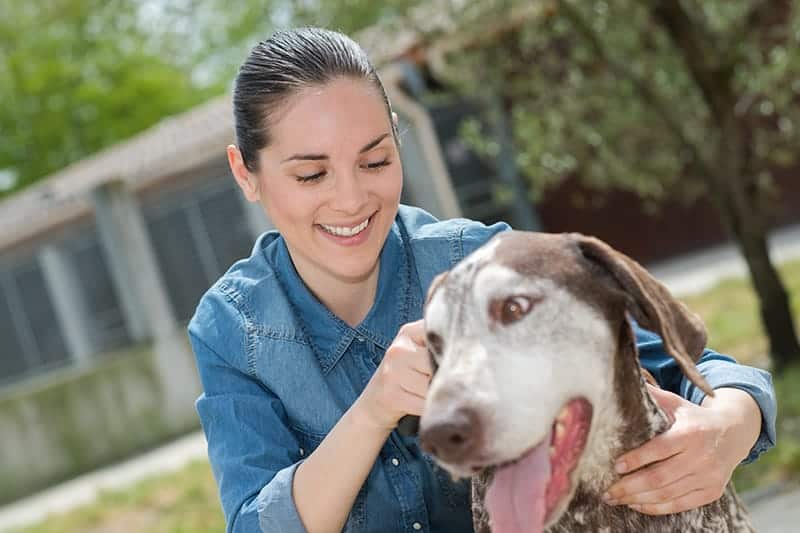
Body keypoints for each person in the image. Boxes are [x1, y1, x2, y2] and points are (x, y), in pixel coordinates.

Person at [187, 27, 777, 533]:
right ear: (247, 172)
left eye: (375, 161)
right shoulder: (233, 329)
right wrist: (374, 411)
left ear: (397, 136)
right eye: (312, 175)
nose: (351, 199)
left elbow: (696, 368)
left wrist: (730, 423)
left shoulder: (481, 261)